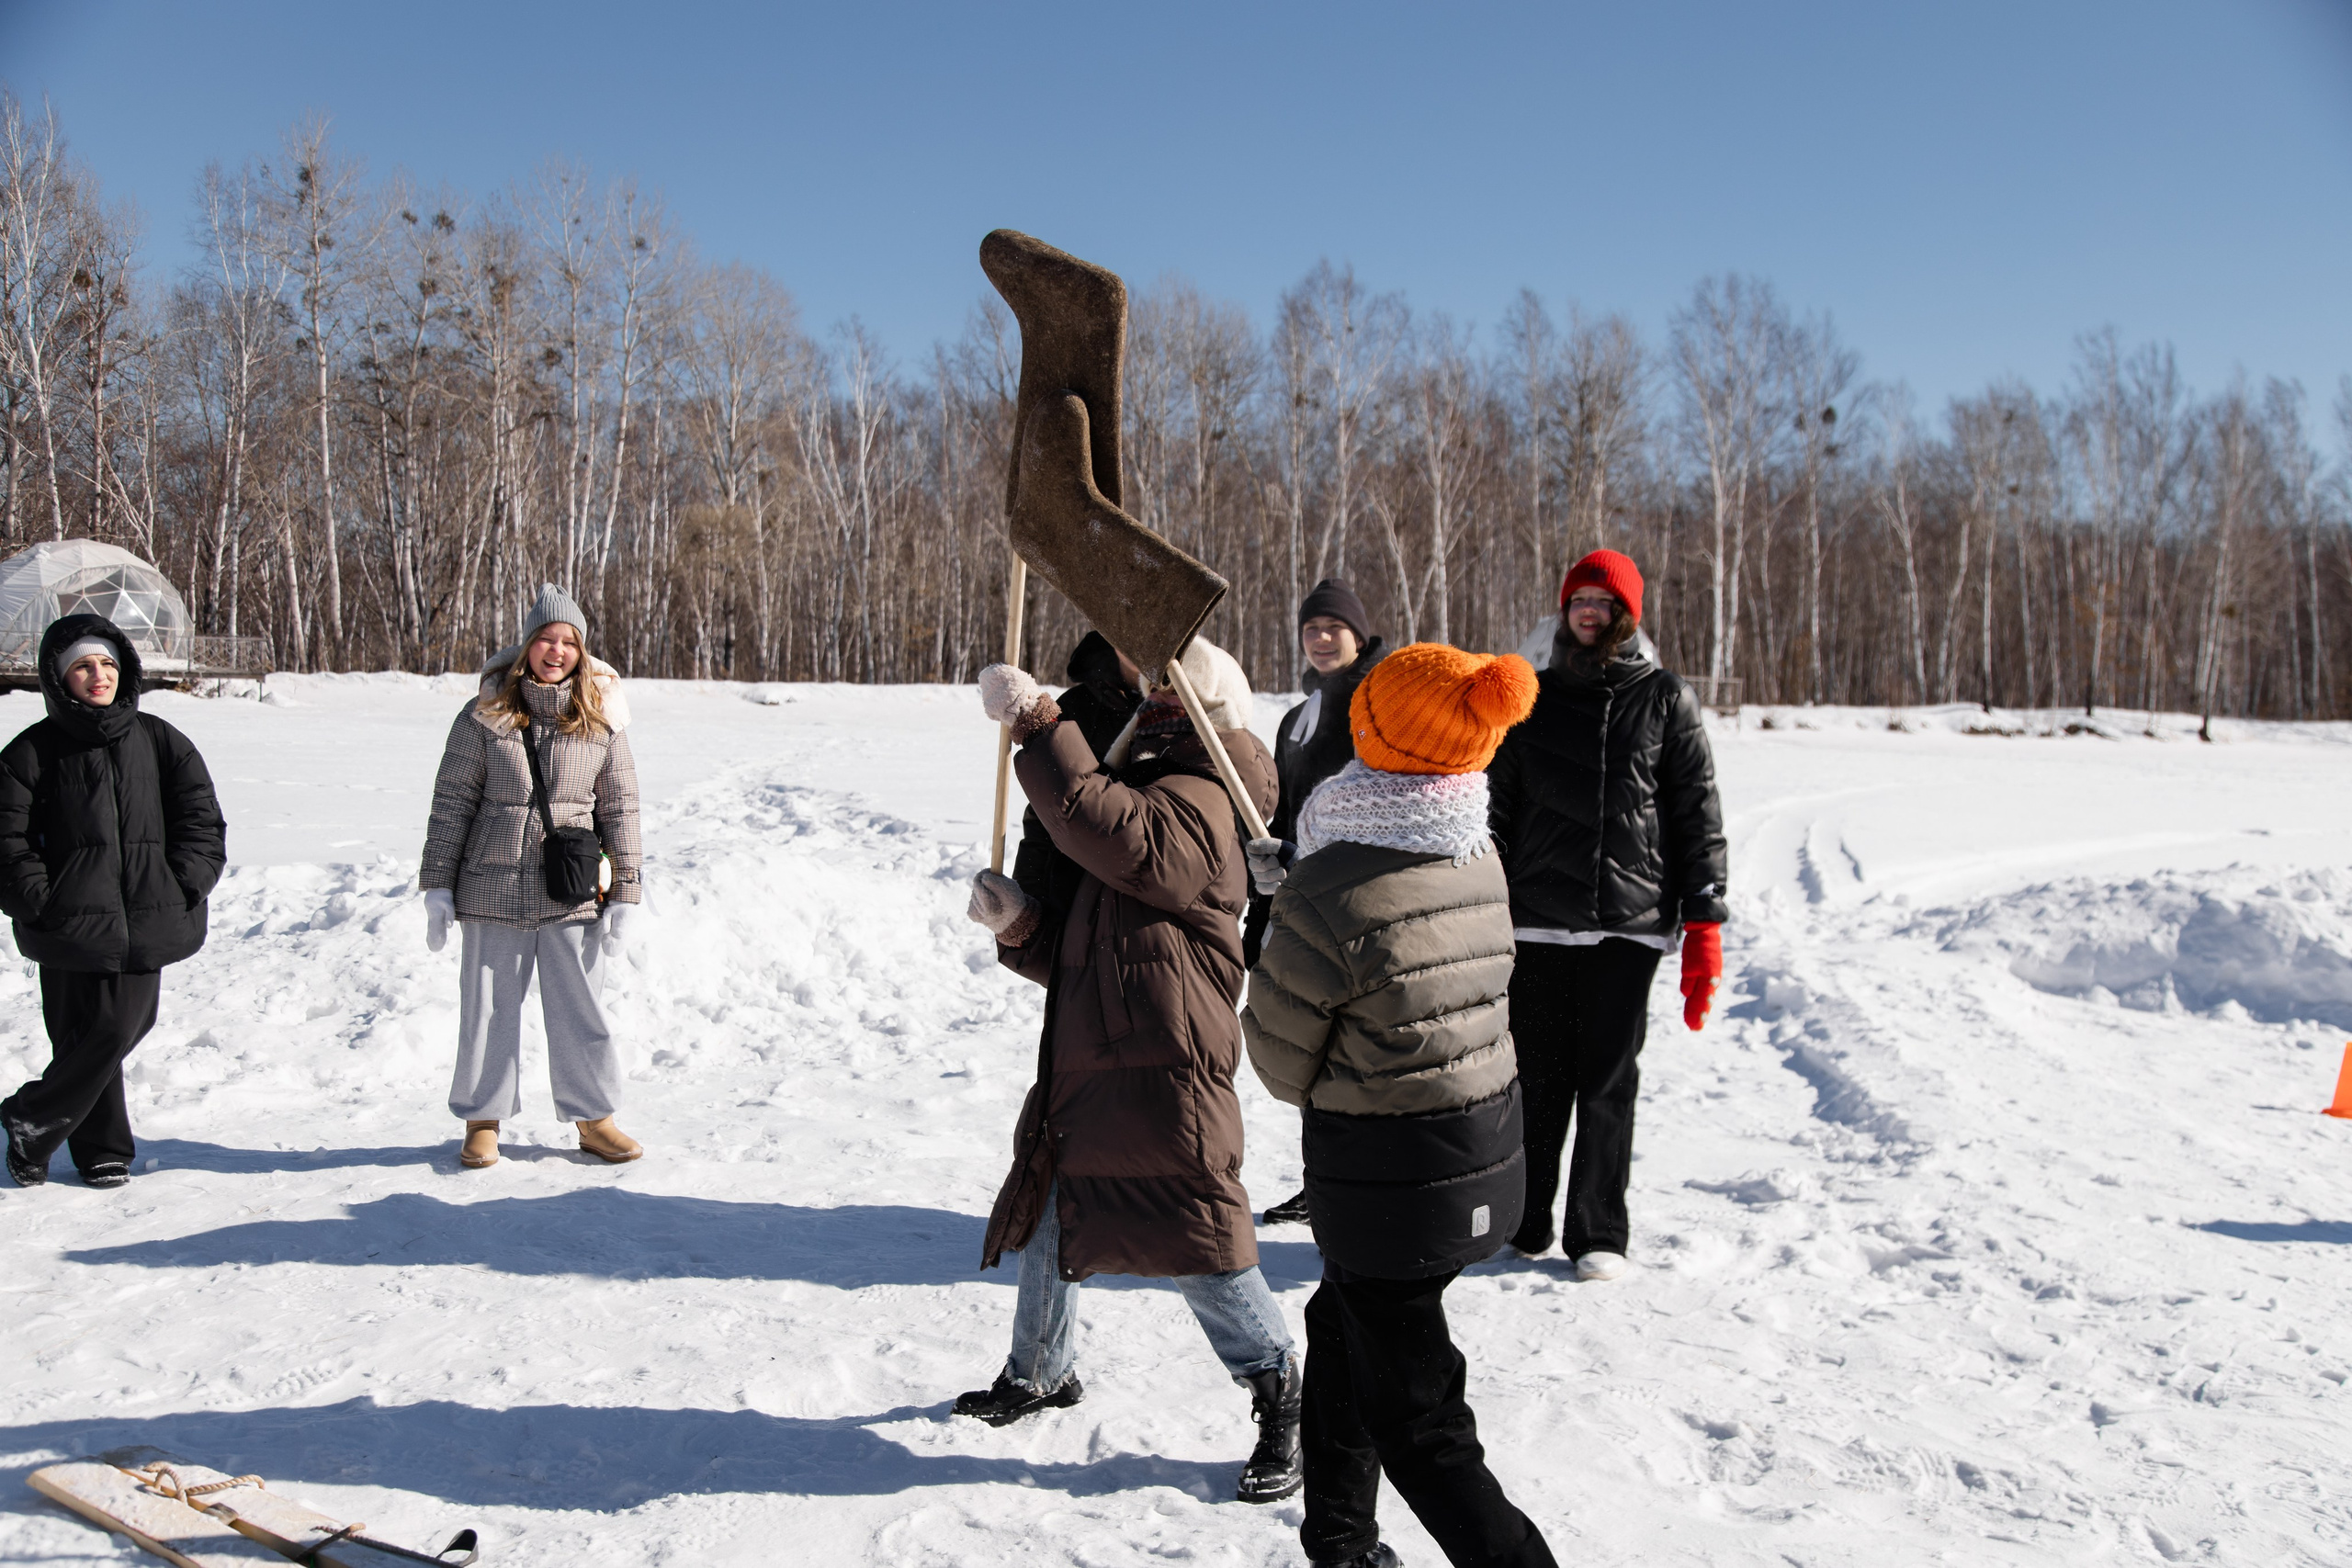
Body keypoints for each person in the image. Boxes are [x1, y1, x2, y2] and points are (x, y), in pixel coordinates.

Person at [957, 637, 1304, 1506]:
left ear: (1206, 714)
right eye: (1150, 693)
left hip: (1167, 1055)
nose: (1147, 706)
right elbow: (1097, 945)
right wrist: (1023, 927)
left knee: (1195, 1231)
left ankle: (1283, 1390)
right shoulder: (1159, 785)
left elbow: (1110, 828)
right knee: (1051, 1193)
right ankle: (1039, 1370)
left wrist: (1040, 723)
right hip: (1106, 1038)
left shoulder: (1205, 799)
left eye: (1167, 697)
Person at [1245, 640, 1553, 1568]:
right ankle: (1340, 1546)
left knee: (1422, 1429)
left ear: (1374, 735)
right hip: (1480, 1157)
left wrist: (1291, 907)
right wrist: (1301, 886)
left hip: (1386, 1187)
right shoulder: (1475, 845)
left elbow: (1279, 1066)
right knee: (1338, 1331)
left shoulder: (1331, 886)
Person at [1485, 549, 1727, 1281]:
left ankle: (1599, 1234)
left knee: (1609, 1079)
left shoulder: (1664, 699)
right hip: (1537, 921)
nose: (1587, 611)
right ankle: (1525, 1222)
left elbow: (1697, 812)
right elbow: (1496, 809)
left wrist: (1703, 921)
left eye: (1602, 600)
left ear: (1627, 612)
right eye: (1577, 599)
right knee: (1537, 1078)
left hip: (1630, 924)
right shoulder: (1534, 698)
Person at [420, 584, 644, 1170]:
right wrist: (438, 886)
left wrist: (625, 892)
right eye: (546, 638)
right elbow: (451, 803)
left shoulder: (601, 718)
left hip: (571, 888)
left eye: (569, 641)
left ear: (582, 650)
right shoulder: (485, 713)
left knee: (580, 1009)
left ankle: (595, 1120)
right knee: (488, 1009)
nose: (556, 650)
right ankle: (482, 1120)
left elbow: (620, 808)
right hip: (491, 883)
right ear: (526, 646)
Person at [0, 615, 226, 1190]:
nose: (97, 675)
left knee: (121, 1024)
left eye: (106, 663)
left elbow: (201, 820)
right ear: (58, 677)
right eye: (82, 665)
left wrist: (183, 883)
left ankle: (33, 1118)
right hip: (67, 922)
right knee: (80, 1033)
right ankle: (101, 1148)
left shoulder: (160, 740)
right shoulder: (31, 752)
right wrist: (39, 900)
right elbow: (6, 839)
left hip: (147, 914)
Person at [1248, 578, 1385, 1227]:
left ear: (1359, 634)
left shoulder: (1383, 699)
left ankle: (1369, 1183)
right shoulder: (1297, 716)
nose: (1322, 637)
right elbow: (1283, 808)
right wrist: (1269, 867)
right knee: (1317, 1048)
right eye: (1312, 627)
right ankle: (1322, 1183)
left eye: (1334, 626)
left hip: (1366, 901)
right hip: (1306, 903)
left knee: (1364, 1052)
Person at [1009, 629, 1142, 919]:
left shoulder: (1186, 709)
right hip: (1076, 901)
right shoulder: (1080, 707)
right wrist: (1026, 908)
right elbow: (1044, 814)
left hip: (1152, 914)